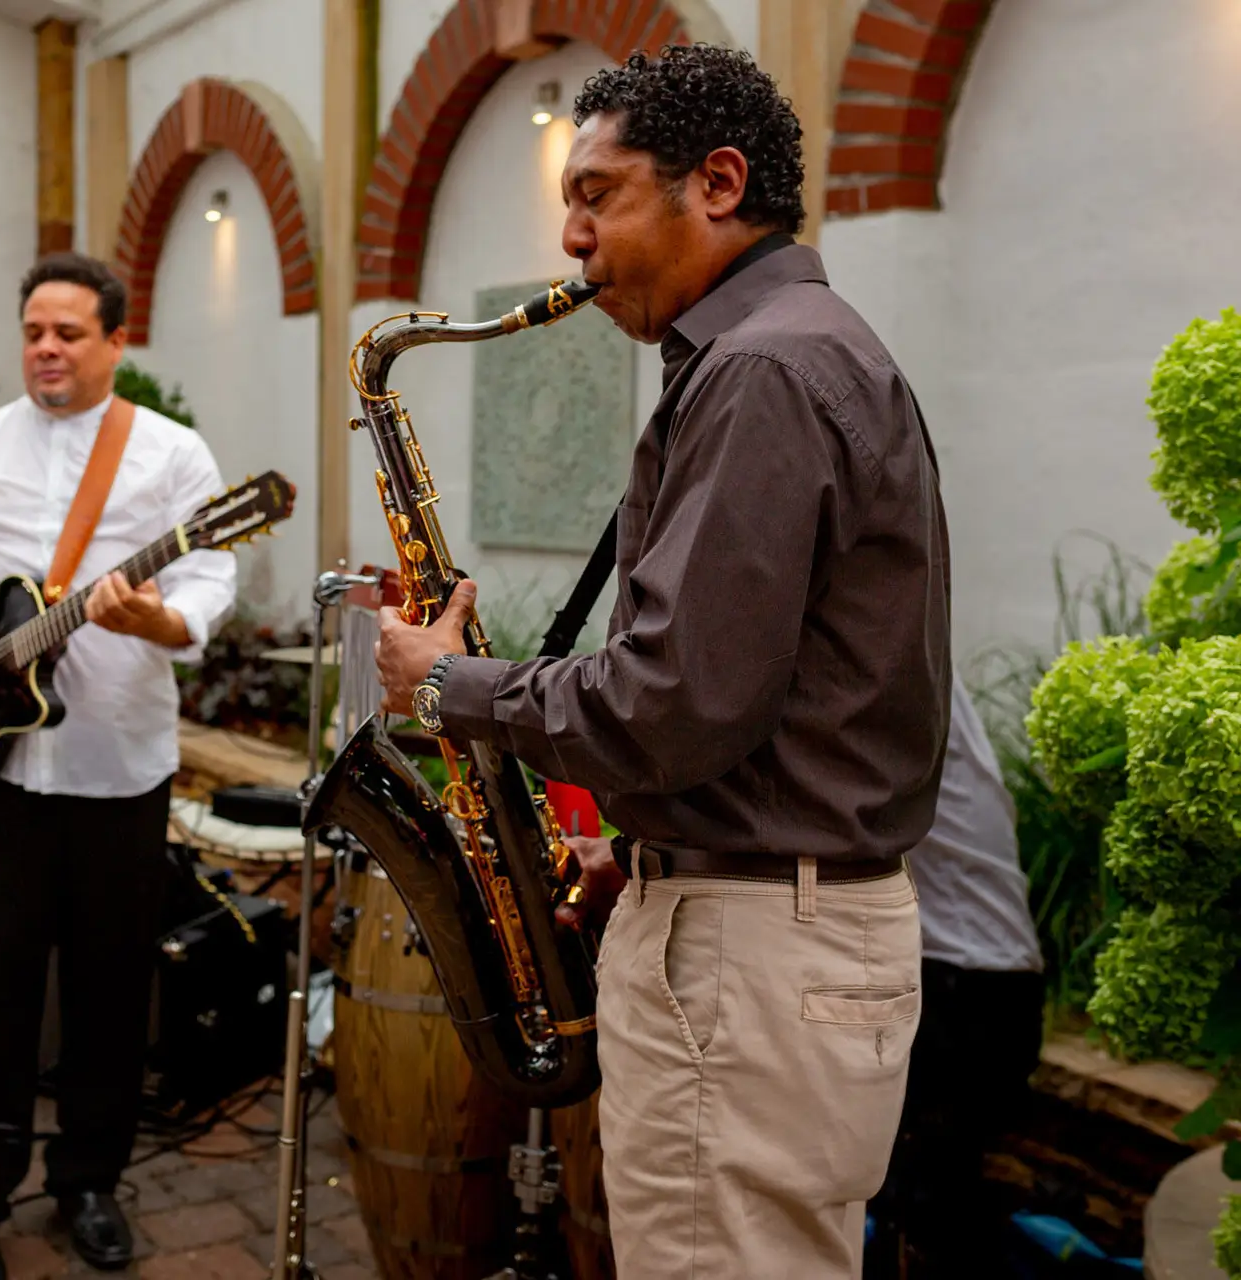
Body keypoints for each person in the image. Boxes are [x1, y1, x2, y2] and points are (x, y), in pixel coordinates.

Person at [373, 46, 950, 1279]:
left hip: (752, 951)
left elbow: (668, 705)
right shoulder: (799, 350)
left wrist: (442, 683)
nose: (572, 240)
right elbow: (742, 701)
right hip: (773, 927)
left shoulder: (760, 371)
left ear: (720, 183)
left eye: (599, 195)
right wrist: (645, 841)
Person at [0, 252, 237, 1280]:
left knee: (114, 991)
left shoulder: (171, 456)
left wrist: (158, 612)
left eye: (69, 331)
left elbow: (210, 578)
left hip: (121, 765)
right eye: (33, 329)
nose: (45, 347)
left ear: (118, 340)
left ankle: (88, 1181)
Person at [866, 669, 1045, 1277]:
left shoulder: (901, 682)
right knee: (935, 1203)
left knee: (919, 1209)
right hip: (994, 982)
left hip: (965, 985)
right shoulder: (915, 663)